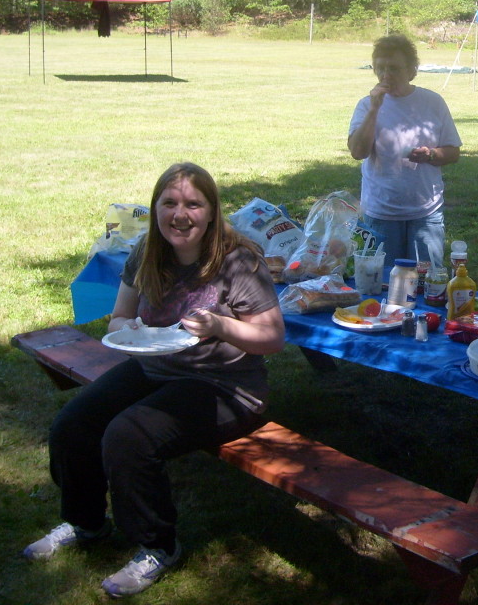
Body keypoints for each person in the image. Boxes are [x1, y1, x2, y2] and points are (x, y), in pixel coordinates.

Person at [22, 162, 285, 597]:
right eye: (170, 203)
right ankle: (85, 523)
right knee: (73, 425)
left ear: (212, 212)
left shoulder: (238, 260)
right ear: (156, 207)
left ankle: (157, 546)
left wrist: (220, 326)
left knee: (129, 437)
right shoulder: (148, 249)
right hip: (155, 367)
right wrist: (128, 331)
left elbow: (272, 338)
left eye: (193, 204)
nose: (181, 215)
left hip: (225, 385)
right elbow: (122, 314)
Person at [348, 34, 462, 268]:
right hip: (381, 212)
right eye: (380, 68)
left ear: (412, 70)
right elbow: (358, 151)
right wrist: (374, 110)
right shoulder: (365, 104)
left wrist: (431, 155)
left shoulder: (433, 102)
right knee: (383, 284)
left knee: (427, 284)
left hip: (426, 212)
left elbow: (453, 152)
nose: (386, 76)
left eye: (394, 69)